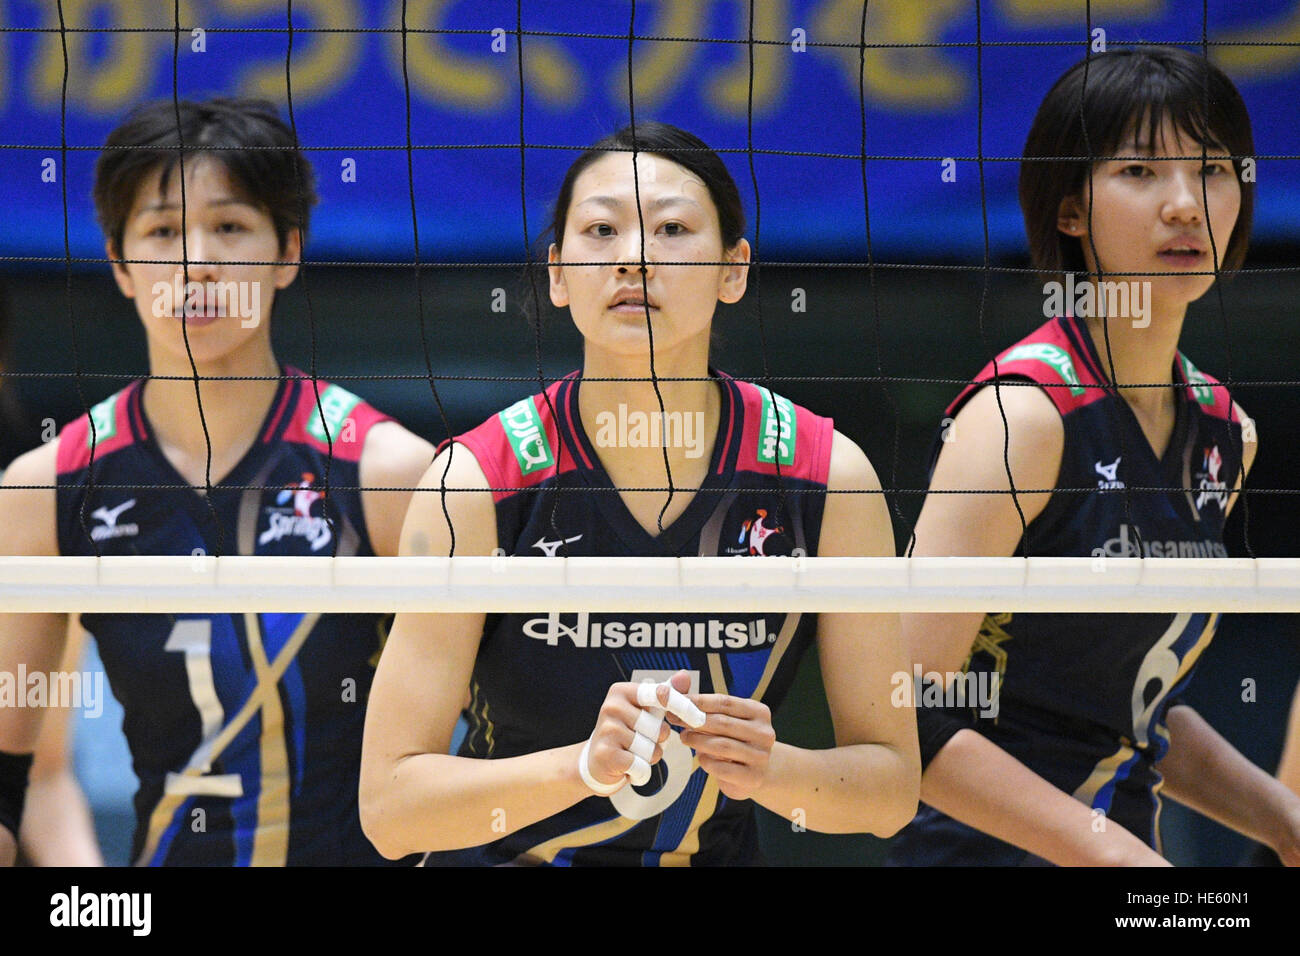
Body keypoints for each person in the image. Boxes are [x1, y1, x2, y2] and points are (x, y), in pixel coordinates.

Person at [360, 121, 919, 866]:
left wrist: (773, 768)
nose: (634, 258)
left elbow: (889, 791)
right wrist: (583, 766)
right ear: (557, 273)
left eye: (674, 229)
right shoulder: (475, 481)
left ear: (734, 269)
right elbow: (390, 809)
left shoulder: (825, 477)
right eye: (601, 230)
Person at [887, 46, 1300, 865]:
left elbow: (1130, 714)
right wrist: (1112, 854)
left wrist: (1284, 823)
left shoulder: (1225, 432)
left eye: (1213, 169)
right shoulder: (1021, 418)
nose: (1186, 205)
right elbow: (900, 709)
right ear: (1071, 209)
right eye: (1141, 171)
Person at [0, 98, 433, 866]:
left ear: (288, 252)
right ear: (120, 265)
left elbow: (485, 739)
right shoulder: (47, 487)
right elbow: (15, 769)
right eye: (163, 232)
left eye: (230, 227)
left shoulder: (388, 472)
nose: (196, 261)